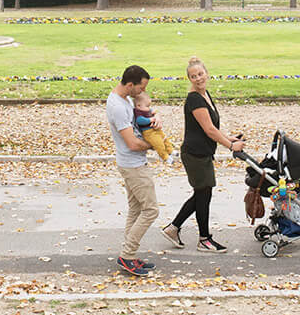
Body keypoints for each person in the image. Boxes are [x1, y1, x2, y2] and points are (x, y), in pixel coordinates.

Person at [160, 57, 245, 253]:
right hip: (195, 154)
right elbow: (209, 130)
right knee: (203, 194)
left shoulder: (205, 94)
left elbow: (214, 127)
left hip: (202, 152)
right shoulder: (195, 99)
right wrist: (230, 147)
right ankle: (204, 239)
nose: (198, 78)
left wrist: (230, 138)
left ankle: (173, 228)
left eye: (200, 74)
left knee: (201, 194)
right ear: (189, 79)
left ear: (206, 73)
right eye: (193, 76)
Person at [105, 65, 160, 276]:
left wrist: (156, 118)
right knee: (151, 210)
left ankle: (130, 255)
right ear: (130, 85)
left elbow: (144, 113)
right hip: (133, 164)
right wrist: (155, 145)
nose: (142, 92)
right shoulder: (117, 106)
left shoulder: (125, 100)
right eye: (141, 87)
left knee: (136, 210)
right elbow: (132, 143)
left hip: (130, 163)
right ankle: (127, 255)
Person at [133, 90, 177, 164]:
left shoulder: (145, 109)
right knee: (158, 143)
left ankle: (170, 150)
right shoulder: (138, 113)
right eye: (147, 106)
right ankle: (165, 156)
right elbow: (139, 121)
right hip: (148, 133)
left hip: (155, 129)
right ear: (139, 106)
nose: (149, 108)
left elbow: (154, 112)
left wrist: (155, 115)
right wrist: (150, 119)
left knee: (164, 137)